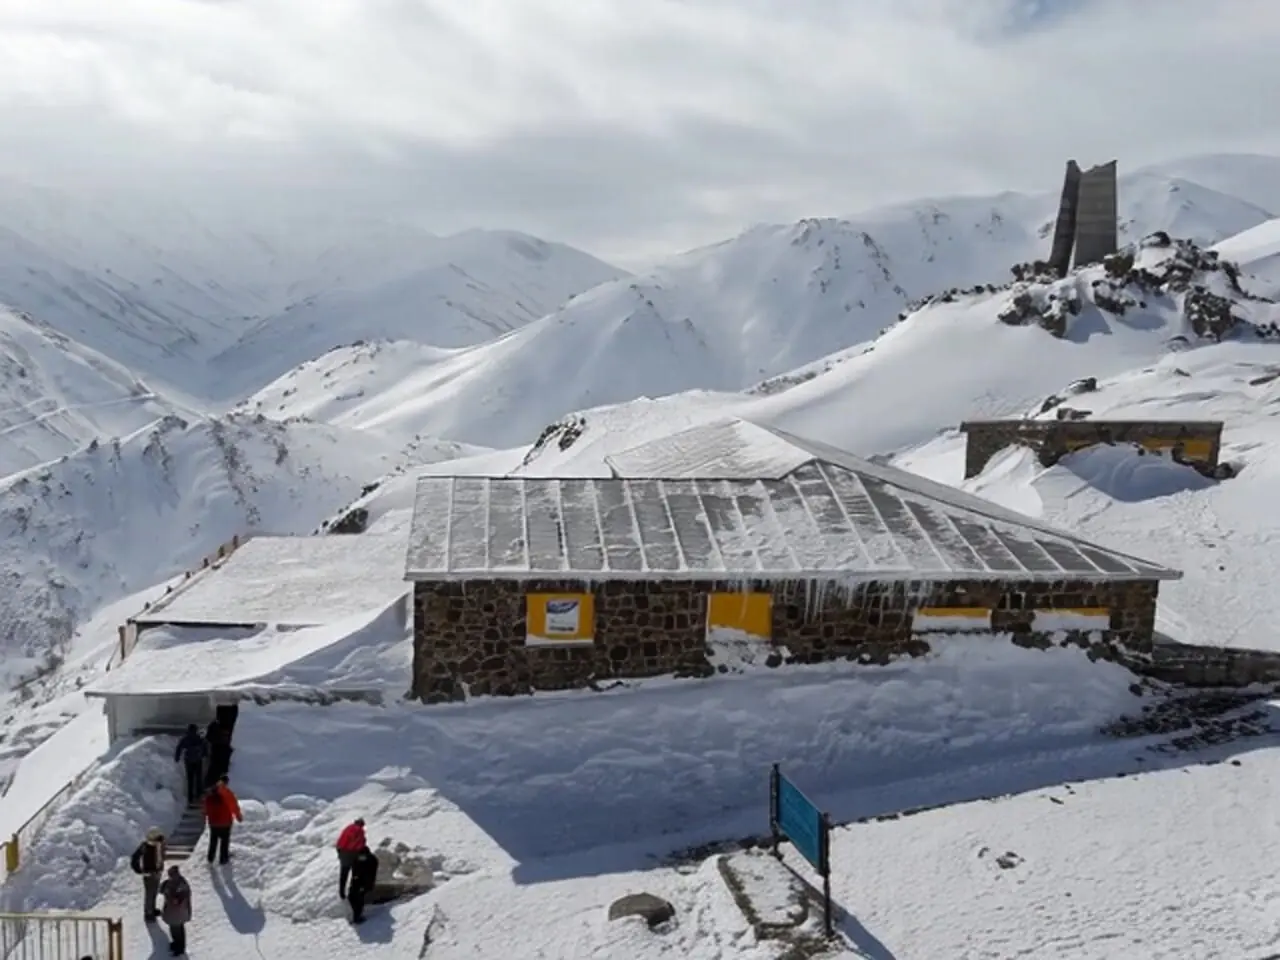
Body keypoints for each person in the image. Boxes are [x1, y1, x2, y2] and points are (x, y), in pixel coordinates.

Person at [129, 827, 166, 923]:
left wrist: (161, 866)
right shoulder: (144, 846)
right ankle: (148, 913)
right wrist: (139, 870)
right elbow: (134, 858)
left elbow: (162, 855)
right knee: (149, 894)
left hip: (157, 872)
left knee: (154, 893)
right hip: (149, 873)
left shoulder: (160, 844)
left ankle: (152, 909)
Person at [203, 775, 243, 865]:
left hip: (213, 822)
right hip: (225, 822)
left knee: (213, 841)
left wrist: (206, 817)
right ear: (227, 782)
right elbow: (233, 806)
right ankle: (223, 859)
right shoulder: (228, 793)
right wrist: (238, 817)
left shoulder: (211, 792)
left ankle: (210, 858)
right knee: (224, 841)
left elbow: (206, 807)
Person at [159, 864, 191, 956]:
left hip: (179, 912)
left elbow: (179, 899)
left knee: (178, 930)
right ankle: (176, 943)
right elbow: (161, 890)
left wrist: (171, 896)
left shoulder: (181, 884)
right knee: (174, 929)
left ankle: (180, 948)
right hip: (173, 912)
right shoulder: (170, 882)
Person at [173, 724, 207, 805]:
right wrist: (203, 754)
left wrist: (177, 757)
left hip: (189, 760)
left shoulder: (185, 739)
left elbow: (179, 748)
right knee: (198, 779)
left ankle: (190, 798)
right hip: (198, 760)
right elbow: (204, 747)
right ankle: (198, 795)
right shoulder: (199, 738)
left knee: (190, 780)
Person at [346, 845, 379, 925]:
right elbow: (354, 868)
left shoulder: (372, 860)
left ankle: (357, 916)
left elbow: (371, 875)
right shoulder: (357, 858)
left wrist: (365, 886)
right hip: (356, 881)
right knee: (351, 896)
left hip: (365, 883)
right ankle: (355, 914)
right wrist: (355, 878)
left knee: (359, 898)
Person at [335, 817, 366, 900]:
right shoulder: (360, 831)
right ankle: (353, 891)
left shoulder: (348, 827)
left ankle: (341, 892)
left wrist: (340, 852)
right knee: (355, 873)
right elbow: (360, 844)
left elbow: (341, 840)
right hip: (353, 854)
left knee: (343, 874)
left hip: (343, 852)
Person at [204, 718, 233, 786]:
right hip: (220, 751)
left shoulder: (215, 725)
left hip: (219, 752)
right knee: (218, 771)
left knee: (216, 771)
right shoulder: (217, 725)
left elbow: (208, 738)